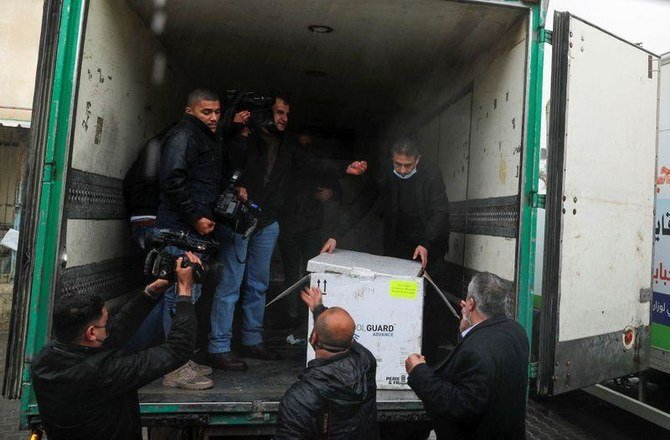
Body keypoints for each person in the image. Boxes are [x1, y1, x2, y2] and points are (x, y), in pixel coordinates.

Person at [207, 95, 367, 371]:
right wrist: (235, 130)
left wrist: (344, 168)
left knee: (258, 284)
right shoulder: (244, 135)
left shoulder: (288, 143)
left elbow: (313, 164)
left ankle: (251, 340)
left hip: (267, 222)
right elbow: (222, 163)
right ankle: (219, 346)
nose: (284, 118)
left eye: (287, 114)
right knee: (230, 284)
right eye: (279, 112)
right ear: (265, 113)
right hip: (239, 220)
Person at [31, 253, 205, 440]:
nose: (110, 326)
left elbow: (114, 332)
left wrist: (151, 292)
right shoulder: (103, 373)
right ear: (91, 333)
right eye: (106, 322)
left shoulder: (45, 359)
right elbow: (178, 349)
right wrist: (185, 290)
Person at [320, 137, 450, 363]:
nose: (401, 169)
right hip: (398, 243)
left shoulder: (431, 174)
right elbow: (362, 203)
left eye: (407, 165)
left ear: (418, 160)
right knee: (399, 296)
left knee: (429, 302)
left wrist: (426, 243)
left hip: (430, 245)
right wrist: (336, 235)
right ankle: (397, 352)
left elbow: (439, 211)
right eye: (397, 164)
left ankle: (428, 358)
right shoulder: (385, 174)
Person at [404, 272, 529, 440]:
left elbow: (458, 405)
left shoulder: (475, 351)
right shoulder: (517, 331)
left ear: (470, 304)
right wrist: (466, 330)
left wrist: (419, 372)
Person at [156, 88, 224, 384]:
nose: (213, 118)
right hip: (179, 231)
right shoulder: (185, 135)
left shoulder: (202, 138)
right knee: (176, 298)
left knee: (188, 297)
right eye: (206, 112)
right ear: (190, 111)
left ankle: (182, 359)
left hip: (189, 233)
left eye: (217, 112)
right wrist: (196, 217)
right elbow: (172, 179)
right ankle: (174, 368)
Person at [275, 286, 378, 440]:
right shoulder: (366, 361)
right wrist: (318, 309)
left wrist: (318, 310)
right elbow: (344, 335)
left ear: (314, 338)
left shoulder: (300, 397)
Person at [279, 130, 343, 344]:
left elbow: (338, 191)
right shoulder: (287, 164)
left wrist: (330, 193)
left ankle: (306, 324)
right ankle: (290, 318)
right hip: (288, 225)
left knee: (310, 276)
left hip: (311, 229)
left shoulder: (319, 167)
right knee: (291, 275)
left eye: (308, 147)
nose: (304, 151)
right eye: (301, 146)